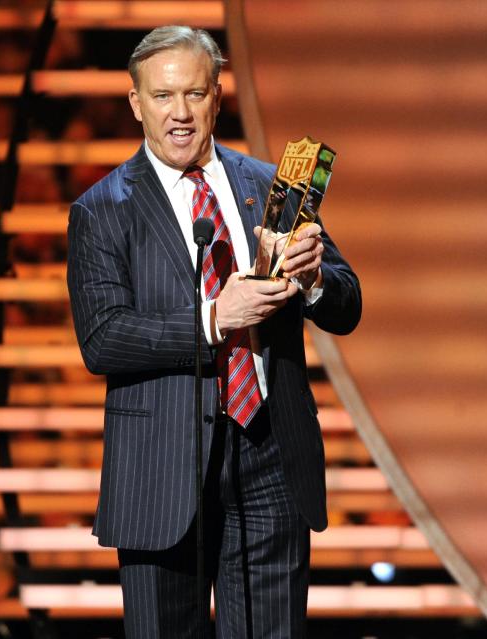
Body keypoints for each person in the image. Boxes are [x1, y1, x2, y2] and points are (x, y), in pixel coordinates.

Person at [67, 25, 361, 638]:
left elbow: (348, 302)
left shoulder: (269, 186)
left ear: (218, 97)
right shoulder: (102, 209)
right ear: (136, 103)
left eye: (194, 95)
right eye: (163, 97)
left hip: (269, 457)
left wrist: (310, 280)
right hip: (161, 471)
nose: (180, 113)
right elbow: (102, 339)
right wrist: (212, 319)